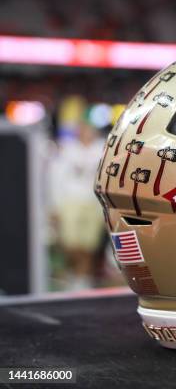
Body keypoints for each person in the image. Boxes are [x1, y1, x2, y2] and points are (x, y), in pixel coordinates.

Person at [50, 119, 106, 290]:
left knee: (89, 245)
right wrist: (54, 205)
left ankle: (83, 280)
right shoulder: (68, 149)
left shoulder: (102, 148)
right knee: (70, 243)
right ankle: (74, 274)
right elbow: (56, 178)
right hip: (71, 201)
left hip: (94, 202)